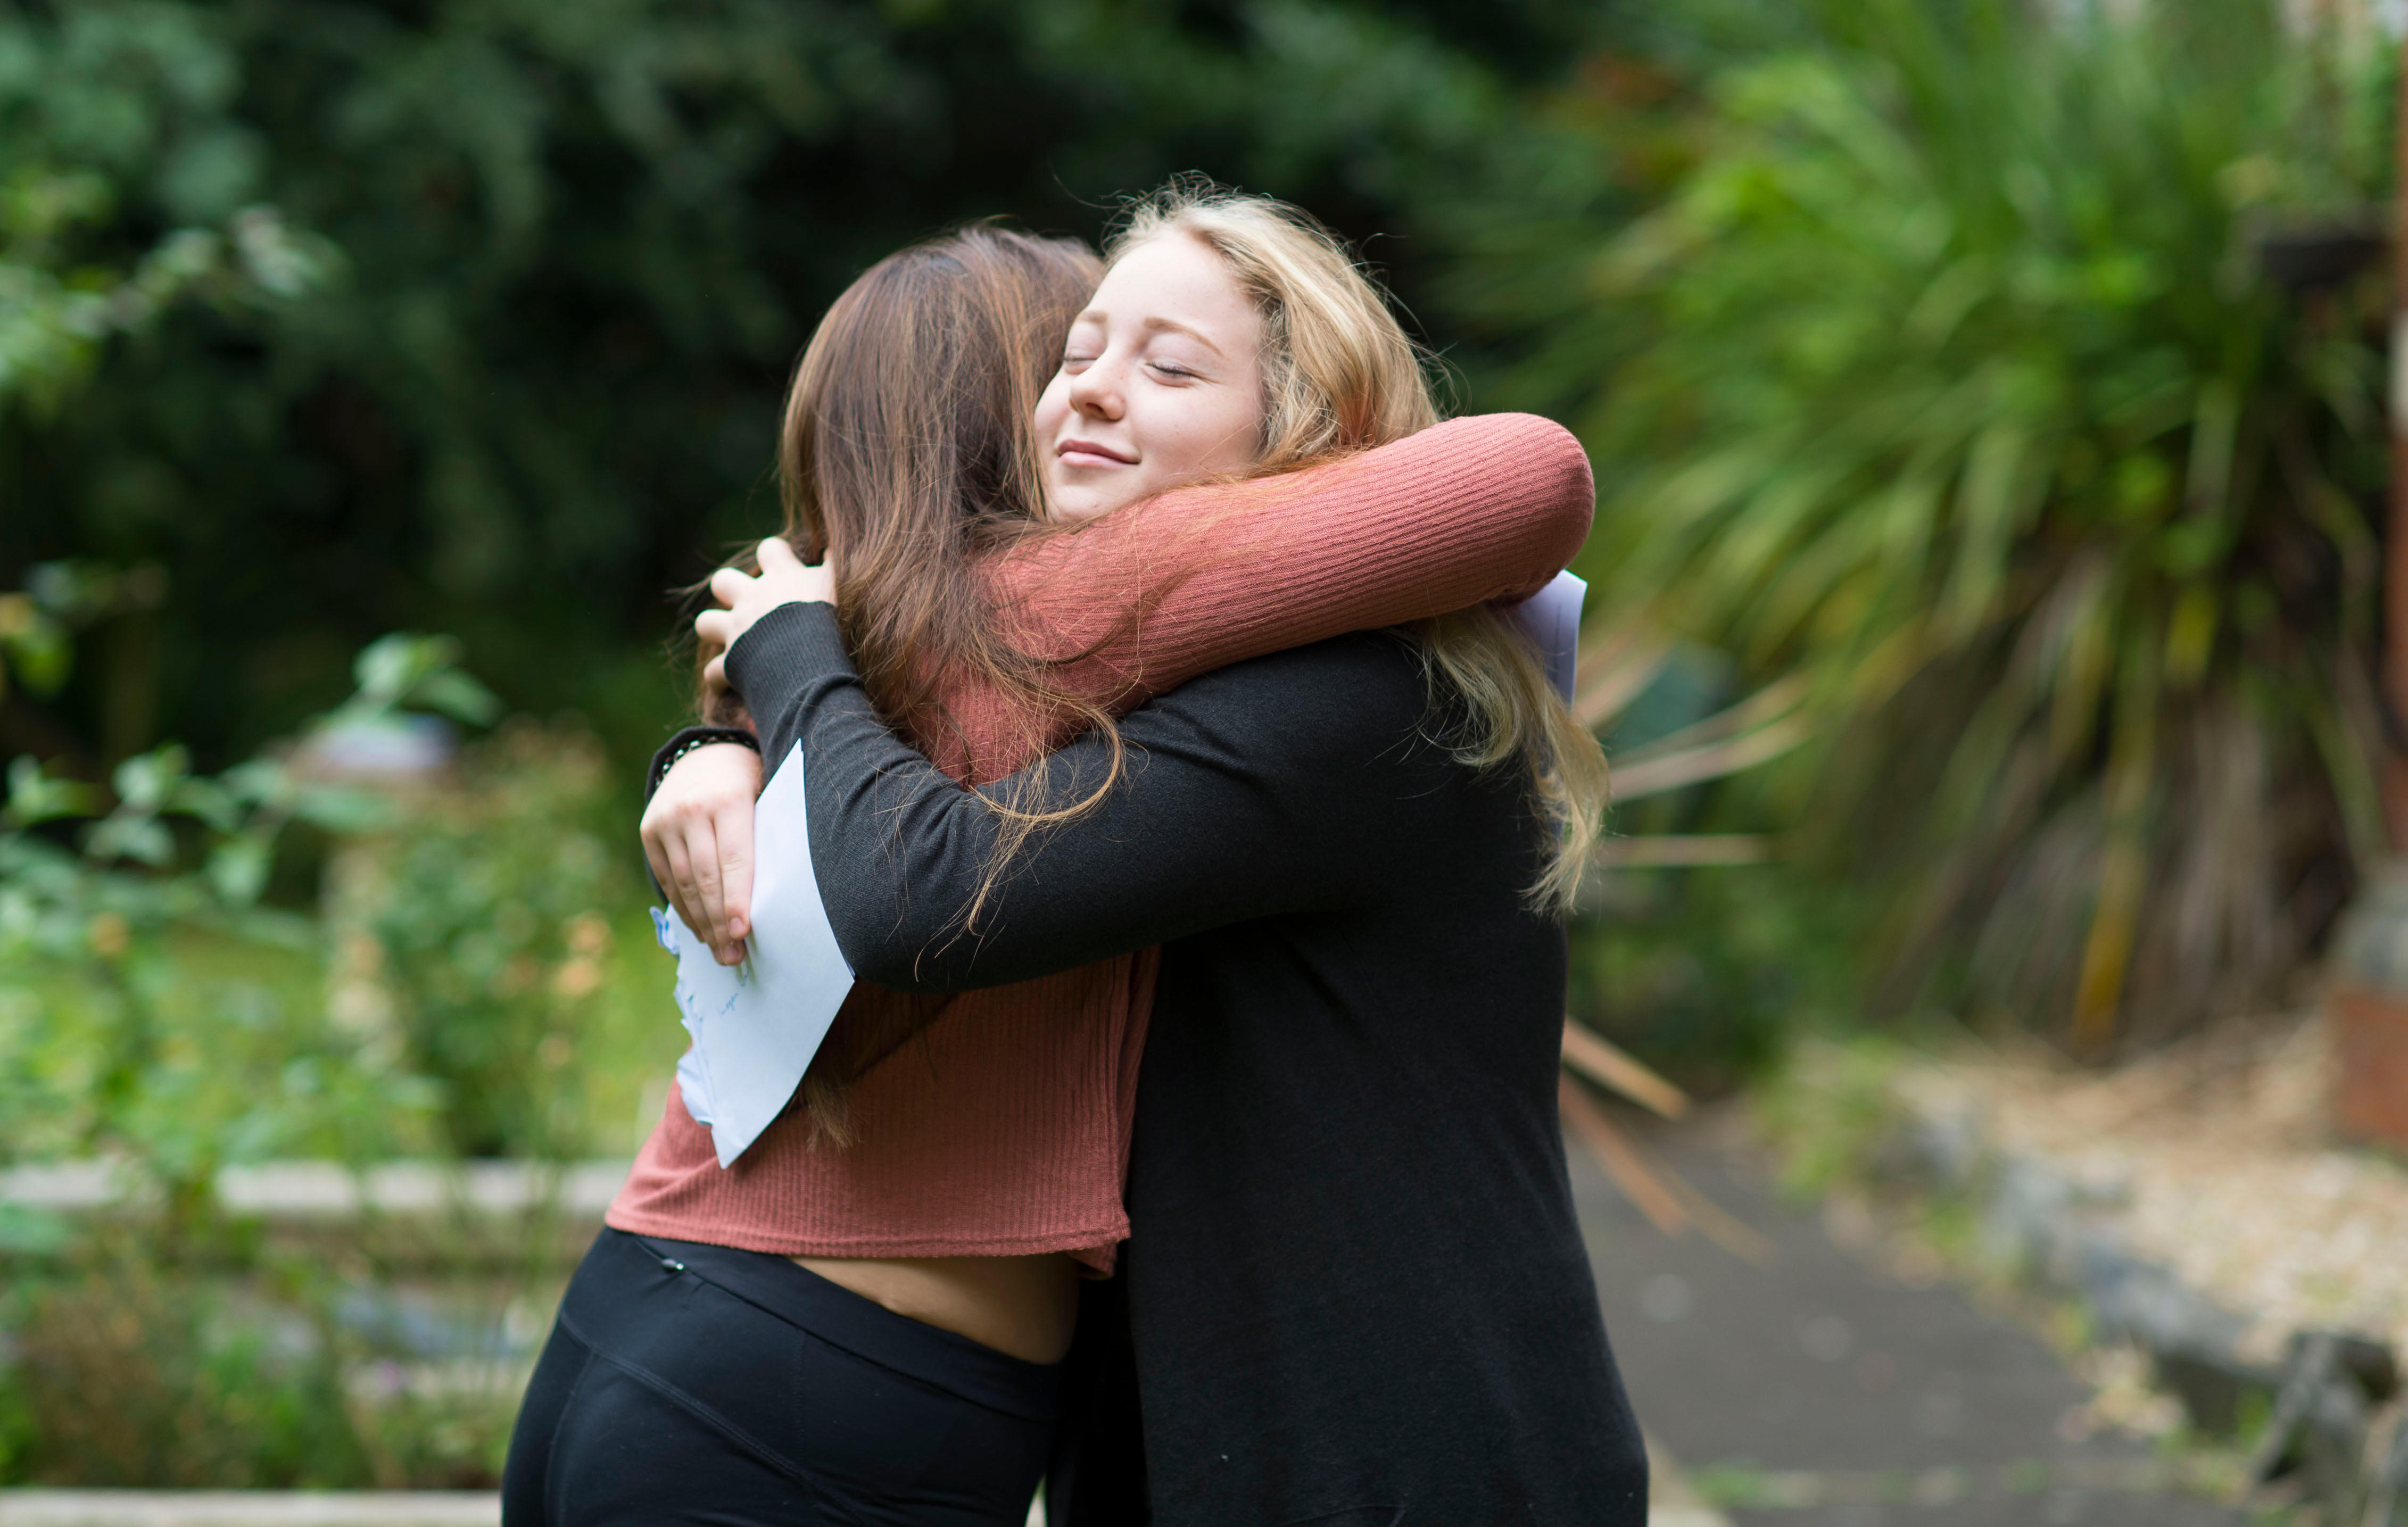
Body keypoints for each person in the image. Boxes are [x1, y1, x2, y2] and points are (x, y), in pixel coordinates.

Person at [502, 200, 1613, 1523]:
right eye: (1075, 354)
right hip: (1179, 1431)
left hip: (1387, 1458)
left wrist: (788, 655)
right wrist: (719, 737)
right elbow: (925, 720)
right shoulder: (1107, 678)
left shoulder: (1344, 707)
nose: (1090, 389)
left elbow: (926, 880)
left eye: (1171, 365)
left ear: (1308, 438)